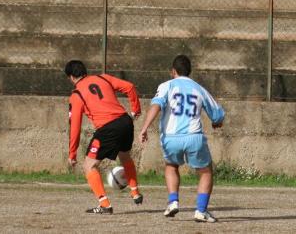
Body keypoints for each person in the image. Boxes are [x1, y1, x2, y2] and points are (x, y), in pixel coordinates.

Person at [139, 55, 225, 223]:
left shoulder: (166, 86)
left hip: (171, 137)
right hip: (194, 137)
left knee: (171, 166)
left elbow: (156, 105)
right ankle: (201, 211)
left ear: (173, 71)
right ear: (189, 71)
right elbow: (217, 115)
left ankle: (173, 201)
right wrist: (216, 123)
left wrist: (144, 128)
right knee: (205, 172)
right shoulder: (199, 88)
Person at [65, 60, 143, 214]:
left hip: (108, 127)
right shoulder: (103, 78)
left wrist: (72, 153)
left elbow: (75, 126)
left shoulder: (76, 94)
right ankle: (135, 192)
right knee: (125, 156)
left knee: (89, 166)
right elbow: (130, 87)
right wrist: (136, 110)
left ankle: (105, 204)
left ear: (71, 77)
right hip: (125, 121)